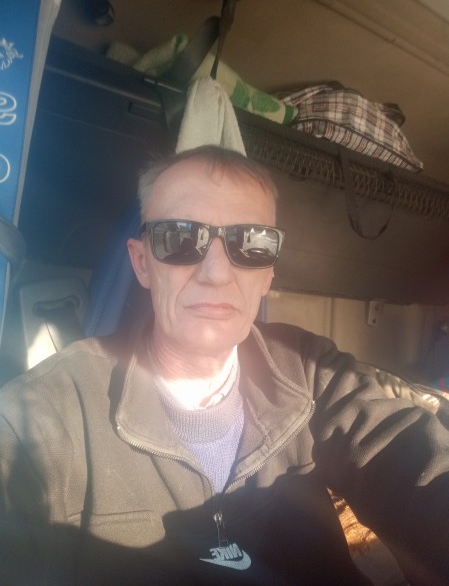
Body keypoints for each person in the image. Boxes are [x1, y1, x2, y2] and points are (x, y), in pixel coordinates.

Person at [0, 145, 449, 586]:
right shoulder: (44, 415)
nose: (215, 273)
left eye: (250, 243)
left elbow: (417, 464)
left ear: (268, 273)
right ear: (142, 263)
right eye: (179, 238)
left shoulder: (310, 367)